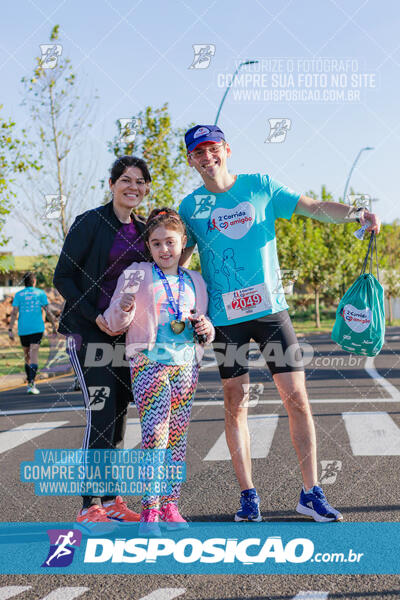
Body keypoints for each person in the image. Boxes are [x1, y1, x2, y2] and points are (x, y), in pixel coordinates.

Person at [179, 124, 381, 523]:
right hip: (225, 320)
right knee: (235, 405)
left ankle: (311, 492)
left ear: (227, 150)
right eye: (198, 153)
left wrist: (357, 213)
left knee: (297, 400)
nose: (207, 157)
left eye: (212, 149)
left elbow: (314, 207)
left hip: (271, 312)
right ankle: (248, 497)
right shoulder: (190, 207)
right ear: (191, 160)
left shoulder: (260, 186)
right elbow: (178, 258)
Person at [53, 155, 152, 527]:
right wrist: (94, 315)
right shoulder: (90, 223)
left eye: (140, 182)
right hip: (88, 332)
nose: (133, 187)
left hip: (127, 340)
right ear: (112, 184)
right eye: (126, 180)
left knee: (120, 416)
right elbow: (62, 277)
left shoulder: (143, 231)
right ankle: (88, 505)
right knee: (102, 413)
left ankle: (111, 500)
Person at [103, 208, 214, 535]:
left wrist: (206, 327)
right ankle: (149, 510)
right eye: (156, 244)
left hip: (186, 364)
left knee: (178, 438)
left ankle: (170, 506)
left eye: (170, 242)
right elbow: (113, 322)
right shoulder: (136, 274)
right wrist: (123, 306)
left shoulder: (195, 280)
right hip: (149, 361)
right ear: (148, 247)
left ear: (182, 243)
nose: (164, 249)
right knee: (155, 434)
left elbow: (205, 325)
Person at [8, 272, 57, 395]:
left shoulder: (18, 295)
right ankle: (31, 383)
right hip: (37, 328)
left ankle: (30, 382)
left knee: (27, 356)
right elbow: (48, 311)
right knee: (33, 354)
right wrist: (54, 326)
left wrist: (10, 330)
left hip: (23, 329)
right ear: (34, 281)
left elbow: (14, 313)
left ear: (24, 282)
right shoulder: (40, 293)